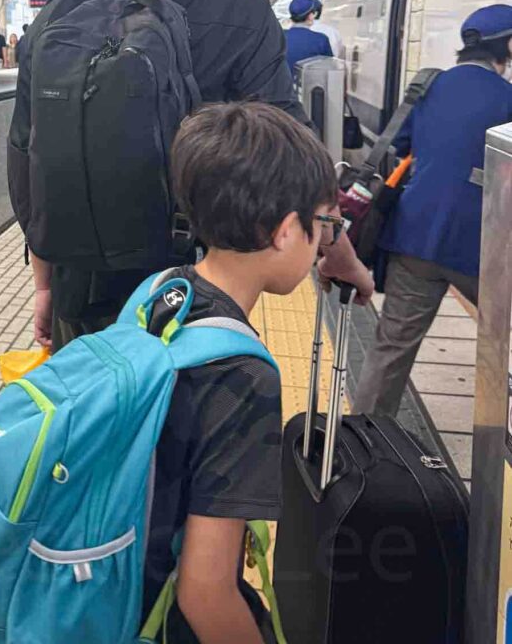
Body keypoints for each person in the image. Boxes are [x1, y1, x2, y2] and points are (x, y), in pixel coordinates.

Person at [8, 0, 372, 350]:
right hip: (196, 290)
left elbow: (28, 159)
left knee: (94, 423)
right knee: (189, 424)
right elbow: (290, 158)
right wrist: (338, 252)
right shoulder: (241, 9)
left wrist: (44, 284)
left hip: (79, 284)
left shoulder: (56, 16)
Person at [140, 101, 339, 644]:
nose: (326, 242)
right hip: (160, 618)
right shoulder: (244, 376)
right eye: (325, 223)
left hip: (123, 574)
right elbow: (205, 593)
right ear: (282, 232)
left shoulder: (163, 289)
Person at [353, 4, 512, 417]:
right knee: (498, 341)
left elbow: (401, 147)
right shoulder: (508, 99)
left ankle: (361, 440)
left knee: (392, 347)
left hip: (415, 236)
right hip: (483, 248)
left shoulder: (428, 85)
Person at [284, 0, 333, 75]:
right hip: (309, 86)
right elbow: (330, 71)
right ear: (310, 16)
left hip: (282, 87)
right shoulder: (321, 40)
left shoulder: (279, 37)